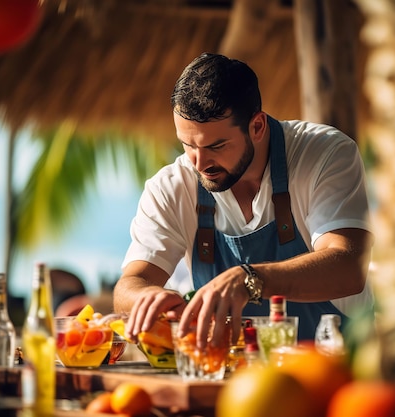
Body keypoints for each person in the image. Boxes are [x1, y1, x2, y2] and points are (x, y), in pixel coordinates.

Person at [114, 53, 374, 348]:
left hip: (335, 368)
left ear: (258, 126)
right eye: (187, 144)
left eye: (217, 145)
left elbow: (349, 268)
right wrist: (147, 297)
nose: (199, 162)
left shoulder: (324, 154)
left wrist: (250, 279)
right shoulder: (171, 186)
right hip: (233, 383)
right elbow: (128, 285)